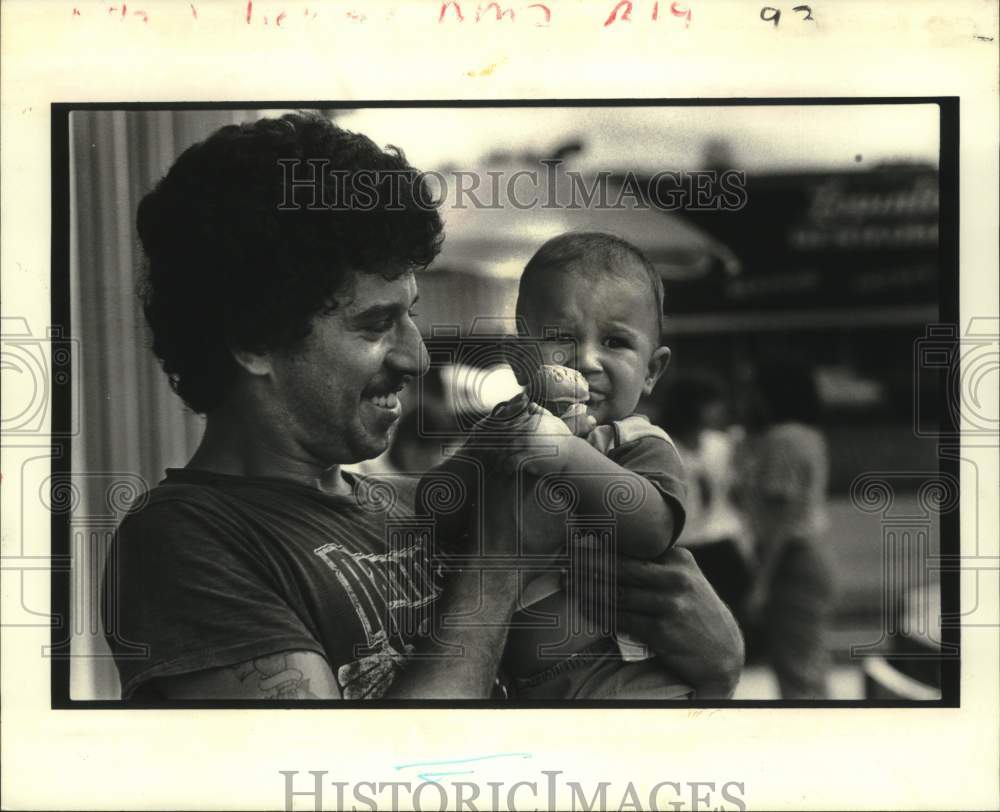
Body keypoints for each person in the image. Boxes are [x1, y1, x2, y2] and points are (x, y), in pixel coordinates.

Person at [102, 112, 744, 700]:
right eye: (376, 324)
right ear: (253, 340)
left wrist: (719, 663)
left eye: (411, 315)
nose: (416, 358)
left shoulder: (411, 506)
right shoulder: (189, 544)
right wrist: (500, 562)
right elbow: (353, 782)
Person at [429, 233, 693, 698]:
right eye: (560, 338)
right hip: (520, 687)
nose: (587, 360)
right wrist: (482, 456)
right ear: (517, 360)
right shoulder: (505, 428)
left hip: (625, 683)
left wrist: (566, 453)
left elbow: (653, 530)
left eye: (615, 342)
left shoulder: (635, 443)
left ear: (651, 371)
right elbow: (433, 509)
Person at [737, 360, 836, 699]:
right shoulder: (808, 435)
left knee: (798, 674)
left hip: (790, 562)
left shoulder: (783, 440)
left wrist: (762, 582)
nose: (749, 397)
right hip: (807, 557)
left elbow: (781, 516)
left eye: (754, 389)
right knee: (808, 665)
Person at [663, 374, 753, 616]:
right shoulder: (664, 447)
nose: (719, 410)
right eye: (710, 403)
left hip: (721, 539)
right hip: (684, 542)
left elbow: (736, 491)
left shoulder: (721, 444)